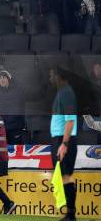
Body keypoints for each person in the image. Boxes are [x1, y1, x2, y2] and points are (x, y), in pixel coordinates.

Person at [49, 66, 78, 221]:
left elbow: (70, 120)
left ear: (59, 77)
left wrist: (64, 143)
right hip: (61, 138)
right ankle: (70, 213)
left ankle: (71, 214)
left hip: (65, 139)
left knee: (66, 176)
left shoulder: (66, 93)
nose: (50, 79)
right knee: (64, 175)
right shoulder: (62, 93)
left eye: (52, 76)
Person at [0, 69, 27, 144]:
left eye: (4, 77)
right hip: (3, 128)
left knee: (15, 151)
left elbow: (18, 109)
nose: (2, 80)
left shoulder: (17, 90)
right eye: (0, 78)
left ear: (9, 79)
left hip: (15, 128)